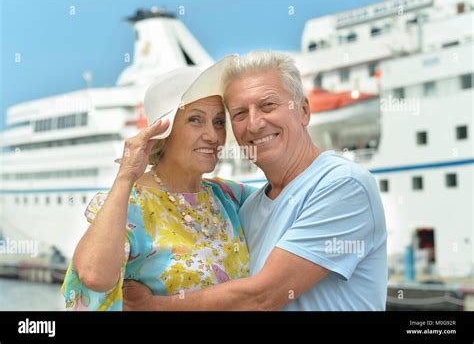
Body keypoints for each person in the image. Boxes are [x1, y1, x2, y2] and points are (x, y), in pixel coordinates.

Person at [123, 51, 388, 311]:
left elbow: (261, 297)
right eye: (239, 113)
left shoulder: (343, 184)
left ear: (304, 111)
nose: (255, 123)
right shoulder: (247, 206)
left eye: (267, 105)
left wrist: (151, 307)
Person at [61, 56, 256, 310]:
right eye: (195, 119)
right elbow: (94, 277)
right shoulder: (128, 202)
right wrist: (126, 175)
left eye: (218, 122)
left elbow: (291, 191)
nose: (212, 135)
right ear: (164, 131)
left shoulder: (229, 197)